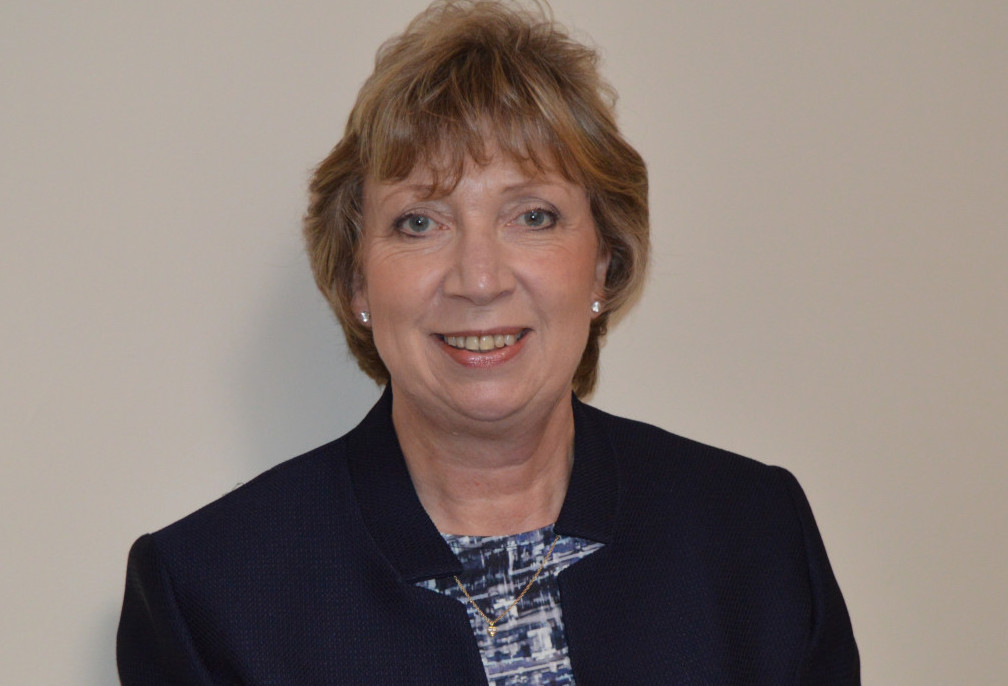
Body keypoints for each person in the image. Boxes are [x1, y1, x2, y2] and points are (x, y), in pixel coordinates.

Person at [116, 1, 860, 684]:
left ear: (602, 263)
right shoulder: (209, 595)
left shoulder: (754, 535)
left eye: (532, 216)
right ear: (356, 282)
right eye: (420, 222)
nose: (479, 279)